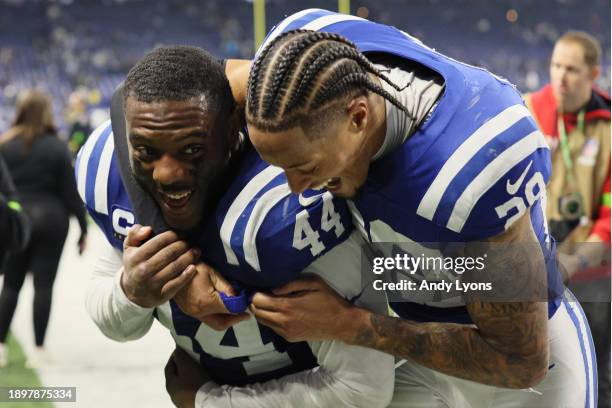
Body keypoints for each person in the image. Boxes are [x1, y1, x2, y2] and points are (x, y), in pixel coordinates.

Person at [243, 9, 596, 407]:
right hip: (415, 347)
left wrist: (346, 324)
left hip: (526, 379)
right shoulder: (298, 63)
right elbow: (218, 85)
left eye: (304, 167)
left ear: (358, 117)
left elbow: (520, 361)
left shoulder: (467, 169)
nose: (295, 188)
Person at [80, 46, 395, 407]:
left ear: (232, 131)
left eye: (192, 149)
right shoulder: (124, 185)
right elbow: (117, 324)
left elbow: (364, 390)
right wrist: (132, 291)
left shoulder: (291, 205)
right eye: (147, 152)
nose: (166, 174)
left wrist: (208, 401)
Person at [524, 30, 611, 408]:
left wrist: (577, 261)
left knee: (594, 376)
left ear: (593, 75)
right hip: (534, 270)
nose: (560, 76)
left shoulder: (607, 128)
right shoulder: (528, 109)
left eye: (572, 69)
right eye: (556, 65)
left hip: (591, 276)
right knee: (533, 373)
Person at [0, 90, 88, 368]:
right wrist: (83, 229)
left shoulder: (5, 145)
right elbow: (70, 193)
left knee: (11, 285)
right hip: (53, 220)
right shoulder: (57, 146)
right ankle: (38, 350)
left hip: (17, 219)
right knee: (44, 285)